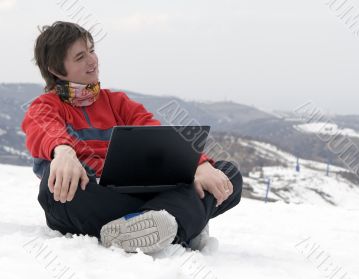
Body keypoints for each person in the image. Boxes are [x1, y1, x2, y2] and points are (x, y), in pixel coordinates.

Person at [21, 21, 242, 254]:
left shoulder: (118, 102)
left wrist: (200, 166)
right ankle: (180, 220)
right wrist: (63, 151)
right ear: (55, 69)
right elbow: (43, 127)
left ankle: (154, 224)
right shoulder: (45, 106)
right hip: (96, 198)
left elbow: (157, 136)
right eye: (80, 57)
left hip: (139, 191)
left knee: (228, 173)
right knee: (54, 190)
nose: (92, 60)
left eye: (92, 50)